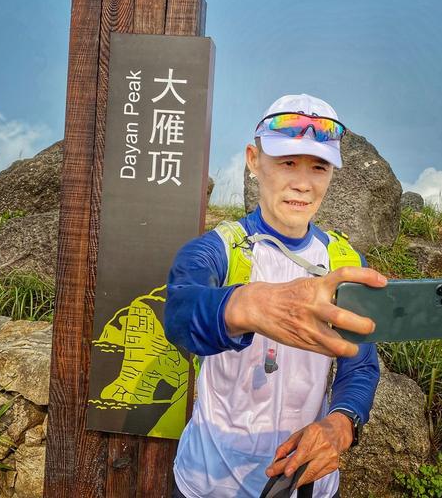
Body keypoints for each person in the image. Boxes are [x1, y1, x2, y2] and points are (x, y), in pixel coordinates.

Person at [164, 94, 387, 498]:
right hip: (208, 482)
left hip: (307, 485)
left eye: (318, 167)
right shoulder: (218, 250)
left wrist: (341, 423)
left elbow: (360, 366)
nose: (303, 183)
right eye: (287, 162)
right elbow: (180, 315)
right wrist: (248, 305)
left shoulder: (344, 262)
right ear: (254, 160)